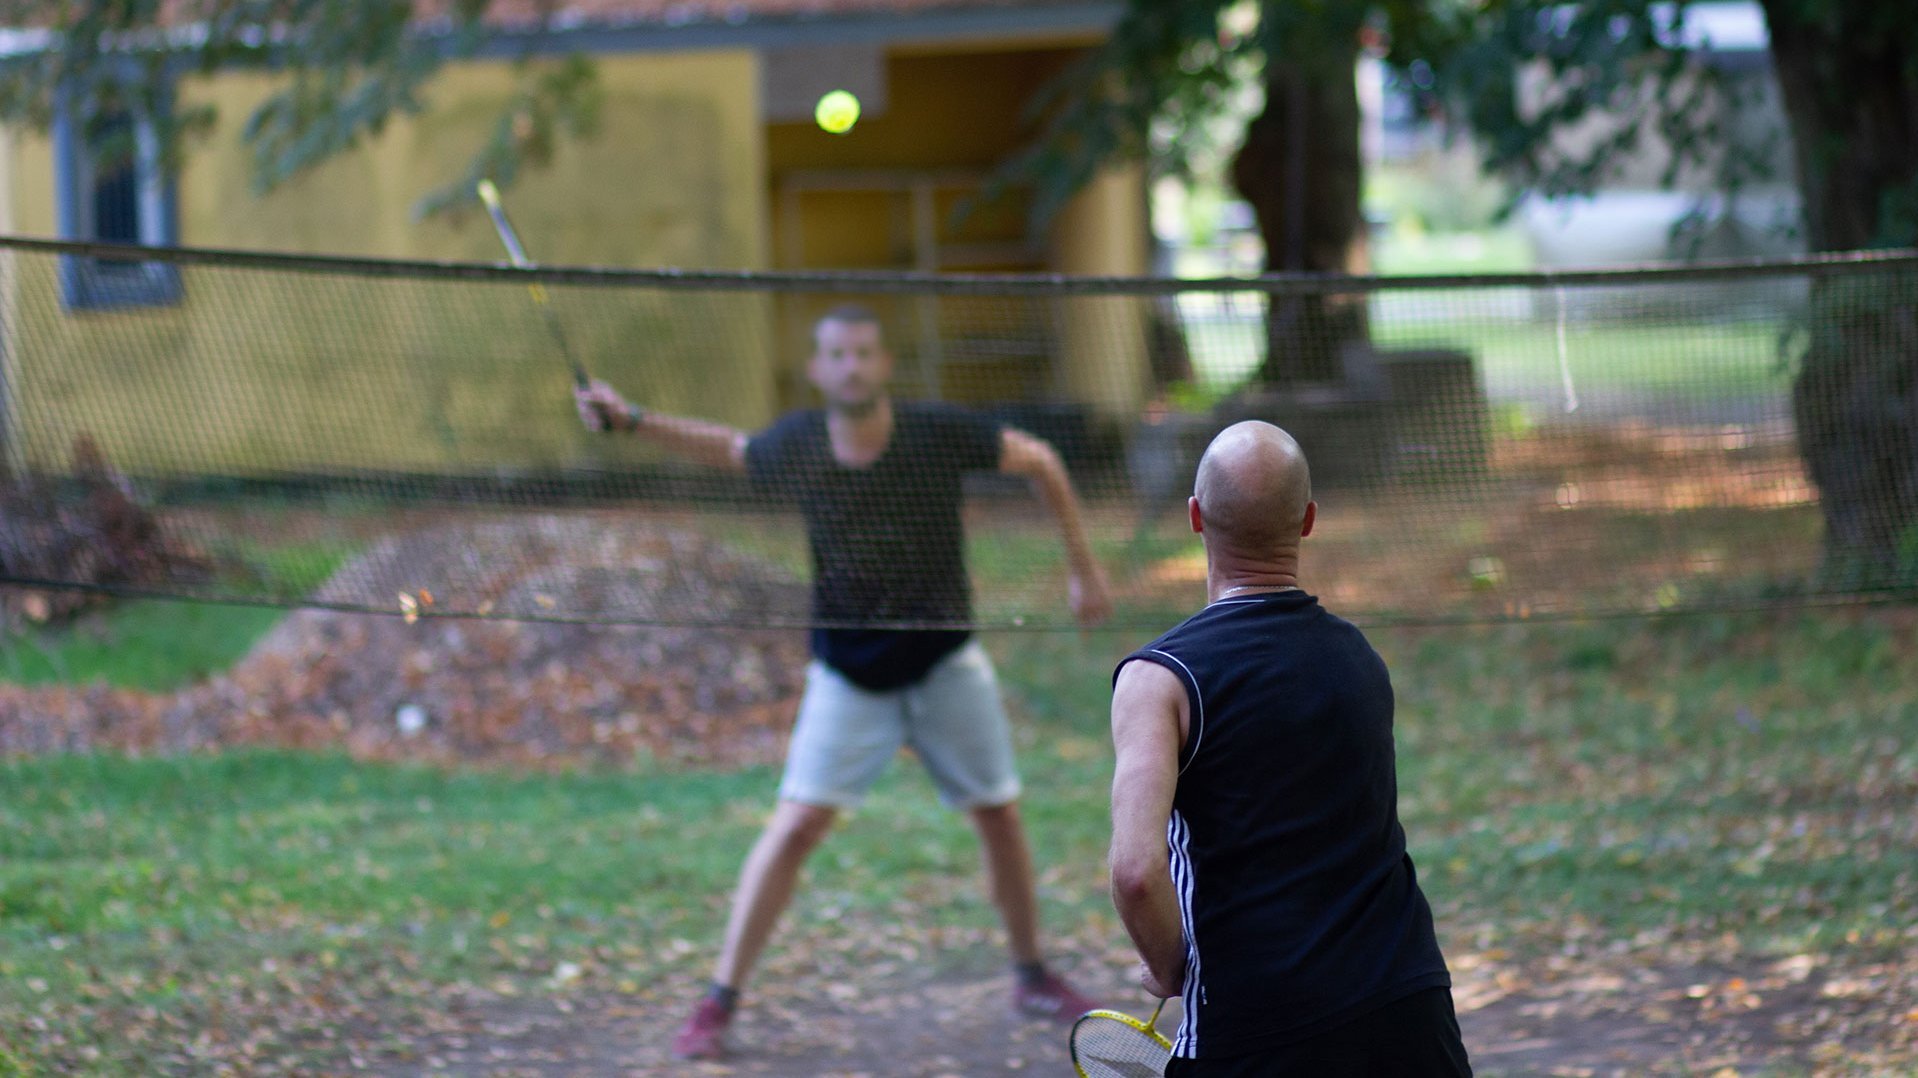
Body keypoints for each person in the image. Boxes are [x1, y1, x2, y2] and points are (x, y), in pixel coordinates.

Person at [575, 304, 1114, 1061]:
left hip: (944, 662)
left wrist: (1084, 572)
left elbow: (1043, 463)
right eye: (837, 354)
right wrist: (631, 417)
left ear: (883, 364)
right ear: (820, 370)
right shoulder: (798, 444)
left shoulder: (936, 433)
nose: (852, 365)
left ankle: (1032, 973)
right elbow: (726, 448)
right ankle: (719, 998)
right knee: (794, 828)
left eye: (864, 352)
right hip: (848, 674)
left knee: (1000, 815)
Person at [1106, 420, 1471, 1076]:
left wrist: (1173, 970)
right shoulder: (1360, 657)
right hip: (1408, 1006)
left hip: (1259, 1024)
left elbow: (1136, 873)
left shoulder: (1158, 681)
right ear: (1307, 520)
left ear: (1195, 517)